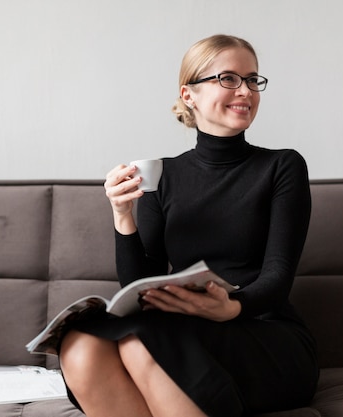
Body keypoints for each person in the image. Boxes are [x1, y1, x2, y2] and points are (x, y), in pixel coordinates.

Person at [58, 34, 318, 417]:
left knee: (140, 341)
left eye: (252, 79)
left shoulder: (282, 166)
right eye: (228, 78)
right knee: (80, 345)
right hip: (182, 330)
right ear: (189, 94)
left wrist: (231, 306)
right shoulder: (162, 175)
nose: (245, 90)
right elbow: (138, 287)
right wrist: (122, 215)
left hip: (263, 329)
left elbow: (278, 276)